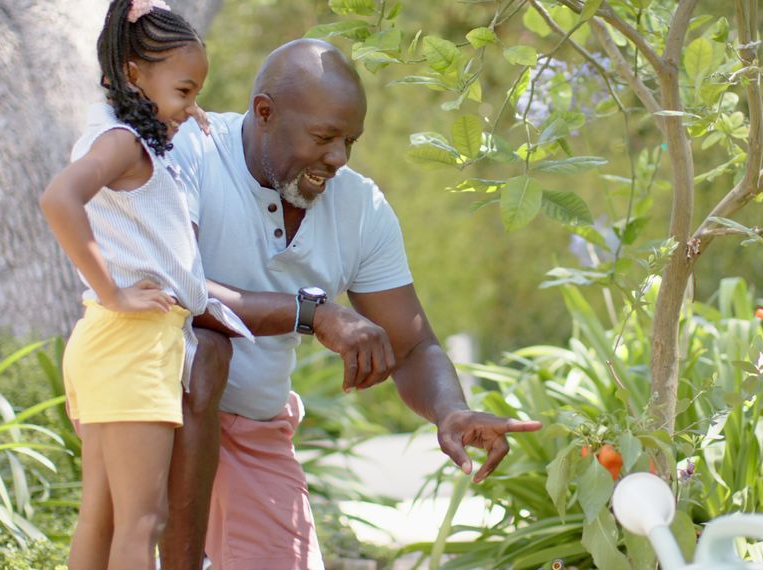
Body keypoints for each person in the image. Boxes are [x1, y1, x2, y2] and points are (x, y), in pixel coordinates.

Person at [158, 38, 543, 570]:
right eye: (323, 137)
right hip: (154, 411)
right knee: (202, 351)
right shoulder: (192, 151)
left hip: (253, 424)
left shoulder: (361, 209)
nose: (337, 159)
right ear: (264, 112)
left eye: (350, 142)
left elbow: (412, 348)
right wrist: (314, 314)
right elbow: (176, 289)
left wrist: (449, 409)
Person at [38, 1, 249, 568]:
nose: (191, 106)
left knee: (104, 518)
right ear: (135, 74)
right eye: (185, 91)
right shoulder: (124, 143)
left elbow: (152, 159)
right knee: (143, 519)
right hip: (131, 343)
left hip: (111, 342)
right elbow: (59, 199)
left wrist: (185, 113)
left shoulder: (120, 132)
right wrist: (114, 291)